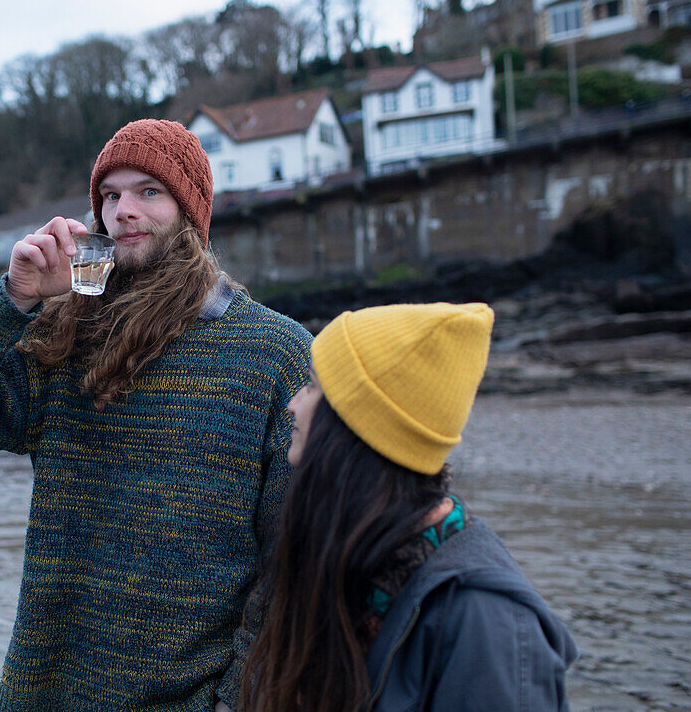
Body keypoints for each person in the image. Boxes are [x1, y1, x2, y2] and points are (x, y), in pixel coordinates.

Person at [0, 119, 312, 711]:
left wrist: (235, 700)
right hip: (48, 696)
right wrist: (13, 299)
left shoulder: (272, 353)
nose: (123, 212)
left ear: (191, 210)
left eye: (149, 191)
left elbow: (295, 560)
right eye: (110, 196)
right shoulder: (67, 341)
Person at [240, 303, 578, 712]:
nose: (293, 404)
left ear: (357, 424)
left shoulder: (488, 624)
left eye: (311, 386)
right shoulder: (353, 559)